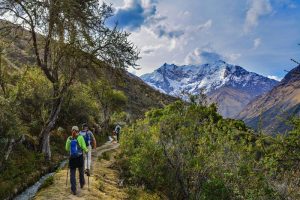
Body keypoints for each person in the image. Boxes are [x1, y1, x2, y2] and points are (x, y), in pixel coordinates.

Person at [65, 126, 89, 195]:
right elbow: (84, 147)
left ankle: (73, 189)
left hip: (72, 159)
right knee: (81, 172)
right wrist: (86, 150)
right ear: (78, 131)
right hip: (79, 157)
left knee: (72, 174)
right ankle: (82, 184)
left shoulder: (69, 138)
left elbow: (66, 148)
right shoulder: (80, 137)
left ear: (72, 131)